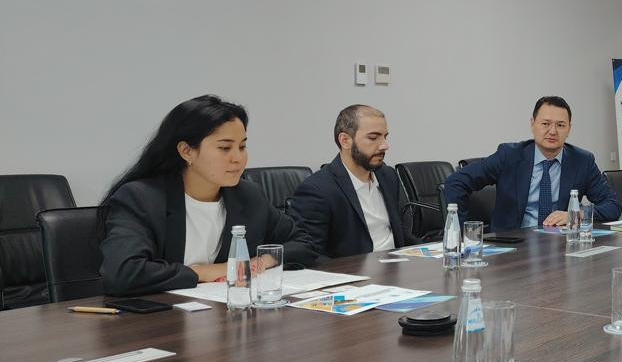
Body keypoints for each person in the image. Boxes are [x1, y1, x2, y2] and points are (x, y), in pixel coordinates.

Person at [99, 95, 313, 296]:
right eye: (225, 148)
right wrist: (205, 271)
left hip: (226, 312)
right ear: (187, 151)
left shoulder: (248, 195)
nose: (238, 158)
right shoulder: (141, 198)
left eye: (242, 146)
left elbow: (304, 244)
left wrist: (263, 261)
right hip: (161, 318)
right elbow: (123, 272)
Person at [441, 96, 621, 231]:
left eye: (560, 125)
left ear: (569, 129)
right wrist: (460, 233)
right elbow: (456, 182)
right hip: (513, 247)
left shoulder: (582, 161)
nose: (552, 131)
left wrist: (576, 215)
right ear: (532, 124)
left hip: (560, 246)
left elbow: (612, 205)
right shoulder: (509, 155)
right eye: (545, 123)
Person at [288, 104, 417, 259]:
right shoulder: (317, 189)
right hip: (354, 271)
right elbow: (311, 253)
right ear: (345, 141)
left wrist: (435, 251)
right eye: (373, 138)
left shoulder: (387, 175)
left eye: (385, 137)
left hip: (398, 266)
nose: (385, 145)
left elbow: (399, 232)